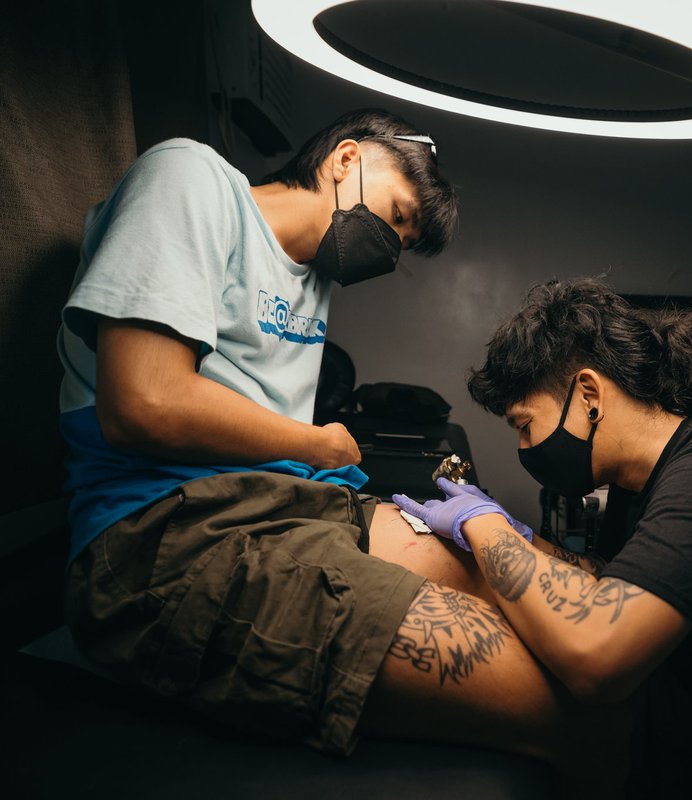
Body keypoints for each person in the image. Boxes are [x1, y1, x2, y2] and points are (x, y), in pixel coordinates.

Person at [56, 109, 631, 794]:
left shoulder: (312, 280)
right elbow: (145, 401)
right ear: (345, 159)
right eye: (396, 217)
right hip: (172, 528)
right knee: (580, 705)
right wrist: (317, 440)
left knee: (579, 600)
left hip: (298, 506)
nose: (388, 250)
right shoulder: (190, 176)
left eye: (402, 245)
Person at [392, 277, 692, 798]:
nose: (525, 447)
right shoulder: (635, 480)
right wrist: (522, 539)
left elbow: (597, 657)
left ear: (589, 394)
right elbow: (614, 582)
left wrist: (484, 525)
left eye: (525, 425)